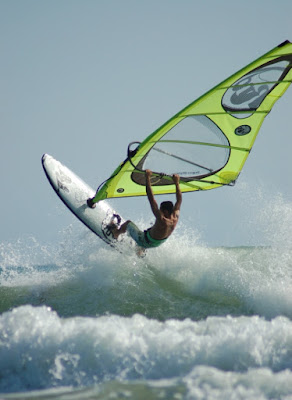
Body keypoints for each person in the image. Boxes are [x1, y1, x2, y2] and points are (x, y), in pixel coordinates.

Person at [110, 169, 182, 252]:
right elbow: (179, 200)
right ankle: (140, 249)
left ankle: (116, 233)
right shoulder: (175, 217)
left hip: (144, 240)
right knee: (153, 229)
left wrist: (147, 177)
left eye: (160, 209)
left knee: (128, 223)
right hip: (156, 243)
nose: (159, 210)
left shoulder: (162, 219)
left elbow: (151, 198)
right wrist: (177, 182)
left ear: (165, 211)